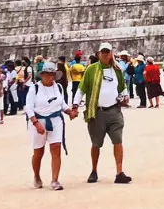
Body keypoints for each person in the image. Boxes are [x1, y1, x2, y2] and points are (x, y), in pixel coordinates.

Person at [75, 44, 132, 184]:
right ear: (99, 54)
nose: (106, 55)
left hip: (114, 110)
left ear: (111, 53)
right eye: (103, 52)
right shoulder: (91, 70)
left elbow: (122, 86)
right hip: (97, 112)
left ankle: (119, 172)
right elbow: (81, 89)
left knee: (118, 141)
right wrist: (75, 104)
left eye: (108, 52)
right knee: (96, 144)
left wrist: (125, 96)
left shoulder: (116, 69)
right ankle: (94, 171)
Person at [26, 62, 78, 190]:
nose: (49, 77)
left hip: (55, 121)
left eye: (51, 74)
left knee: (56, 148)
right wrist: (36, 123)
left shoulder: (58, 87)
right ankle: (37, 176)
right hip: (39, 121)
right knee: (38, 152)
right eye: (46, 74)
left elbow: (62, 105)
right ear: (42, 75)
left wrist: (70, 112)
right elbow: (29, 107)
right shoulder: (34, 88)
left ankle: (55, 180)